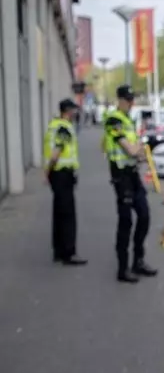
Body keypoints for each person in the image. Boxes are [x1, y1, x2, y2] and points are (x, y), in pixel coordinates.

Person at [104, 85, 158, 283]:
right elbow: (132, 150)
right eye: (128, 99)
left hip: (133, 175)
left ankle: (139, 261)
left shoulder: (127, 120)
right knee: (126, 222)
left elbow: (139, 152)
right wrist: (138, 149)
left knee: (144, 216)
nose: (131, 103)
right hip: (121, 177)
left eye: (132, 99)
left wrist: (138, 150)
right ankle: (123, 268)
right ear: (120, 100)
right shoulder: (113, 119)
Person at [43, 99, 87, 266]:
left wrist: (48, 173)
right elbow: (55, 153)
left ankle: (58, 251)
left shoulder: (53, 124)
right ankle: (69, 253)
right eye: (74, 111)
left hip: (57, 174)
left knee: (59, 213)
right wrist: (46, 173)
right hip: (62, 174)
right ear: (67, 111)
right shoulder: (63, 128)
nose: (76, 113)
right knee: (68, 215)